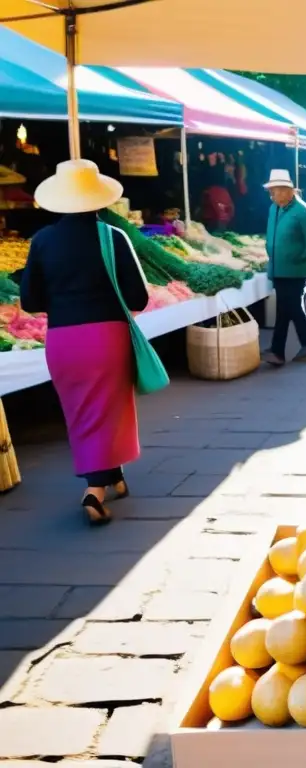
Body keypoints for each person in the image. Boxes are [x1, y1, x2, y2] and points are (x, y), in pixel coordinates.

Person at [19, 160, 149, 525]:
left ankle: (115, 475)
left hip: (62, 339)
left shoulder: (42, 241)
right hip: (107, 337)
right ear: (97, 198)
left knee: (83, 414)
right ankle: (95, 490)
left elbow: (30, 301)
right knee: (110, 409)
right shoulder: (113, 237)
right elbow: (138, 298)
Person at [263, 169, 306, 366]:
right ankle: (279, 351)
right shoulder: (274, 208)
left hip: (297, 271)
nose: (272, 195)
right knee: (284, 309)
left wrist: (298, 259)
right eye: (271, 191)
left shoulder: (302, 211)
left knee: (292, 307)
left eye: (276, 191)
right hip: (278, 269)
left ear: (289, 191)